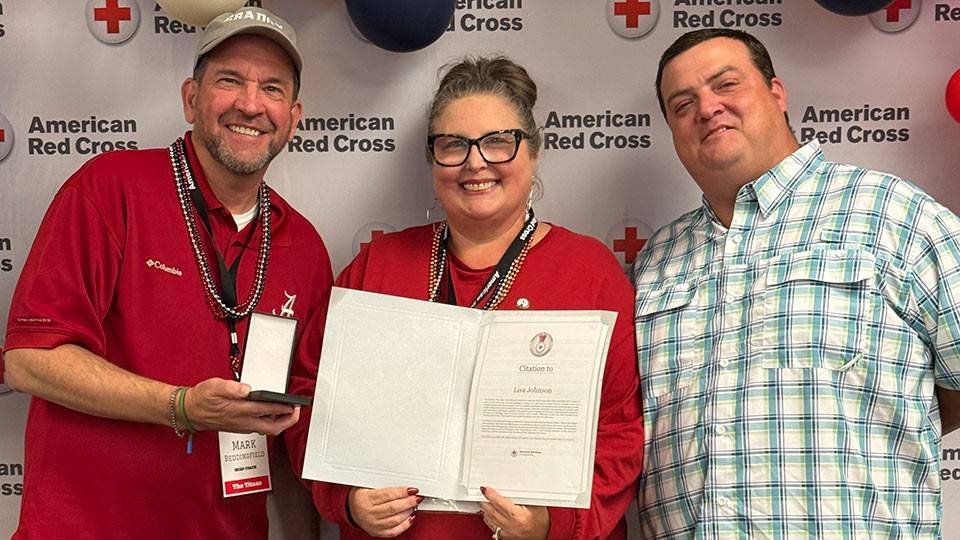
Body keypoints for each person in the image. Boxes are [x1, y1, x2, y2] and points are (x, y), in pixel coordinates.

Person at [0, 7, 332, 538]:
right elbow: (28, 360)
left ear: (293, 116)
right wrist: (180, 406)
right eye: (229, 81)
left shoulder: (305, 247)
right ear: (191, 99)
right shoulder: (111, 189)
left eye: (271, 88)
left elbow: (290, 438)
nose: (251, 104)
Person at [634, 28, 960, 538]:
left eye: (726, 85)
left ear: (777, 93)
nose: (707, 108)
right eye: (682, 103)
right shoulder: (656, 261)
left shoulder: (892, 213)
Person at [311, 56, 644, 540]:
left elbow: (621, 431)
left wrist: (554, 525)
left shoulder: (589, 273)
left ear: (532, 151)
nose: (474, 162)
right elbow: (311, 402)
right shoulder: (376, 268)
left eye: (497, 142)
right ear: (432, 159)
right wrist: (346, 499)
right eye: (452, 145)